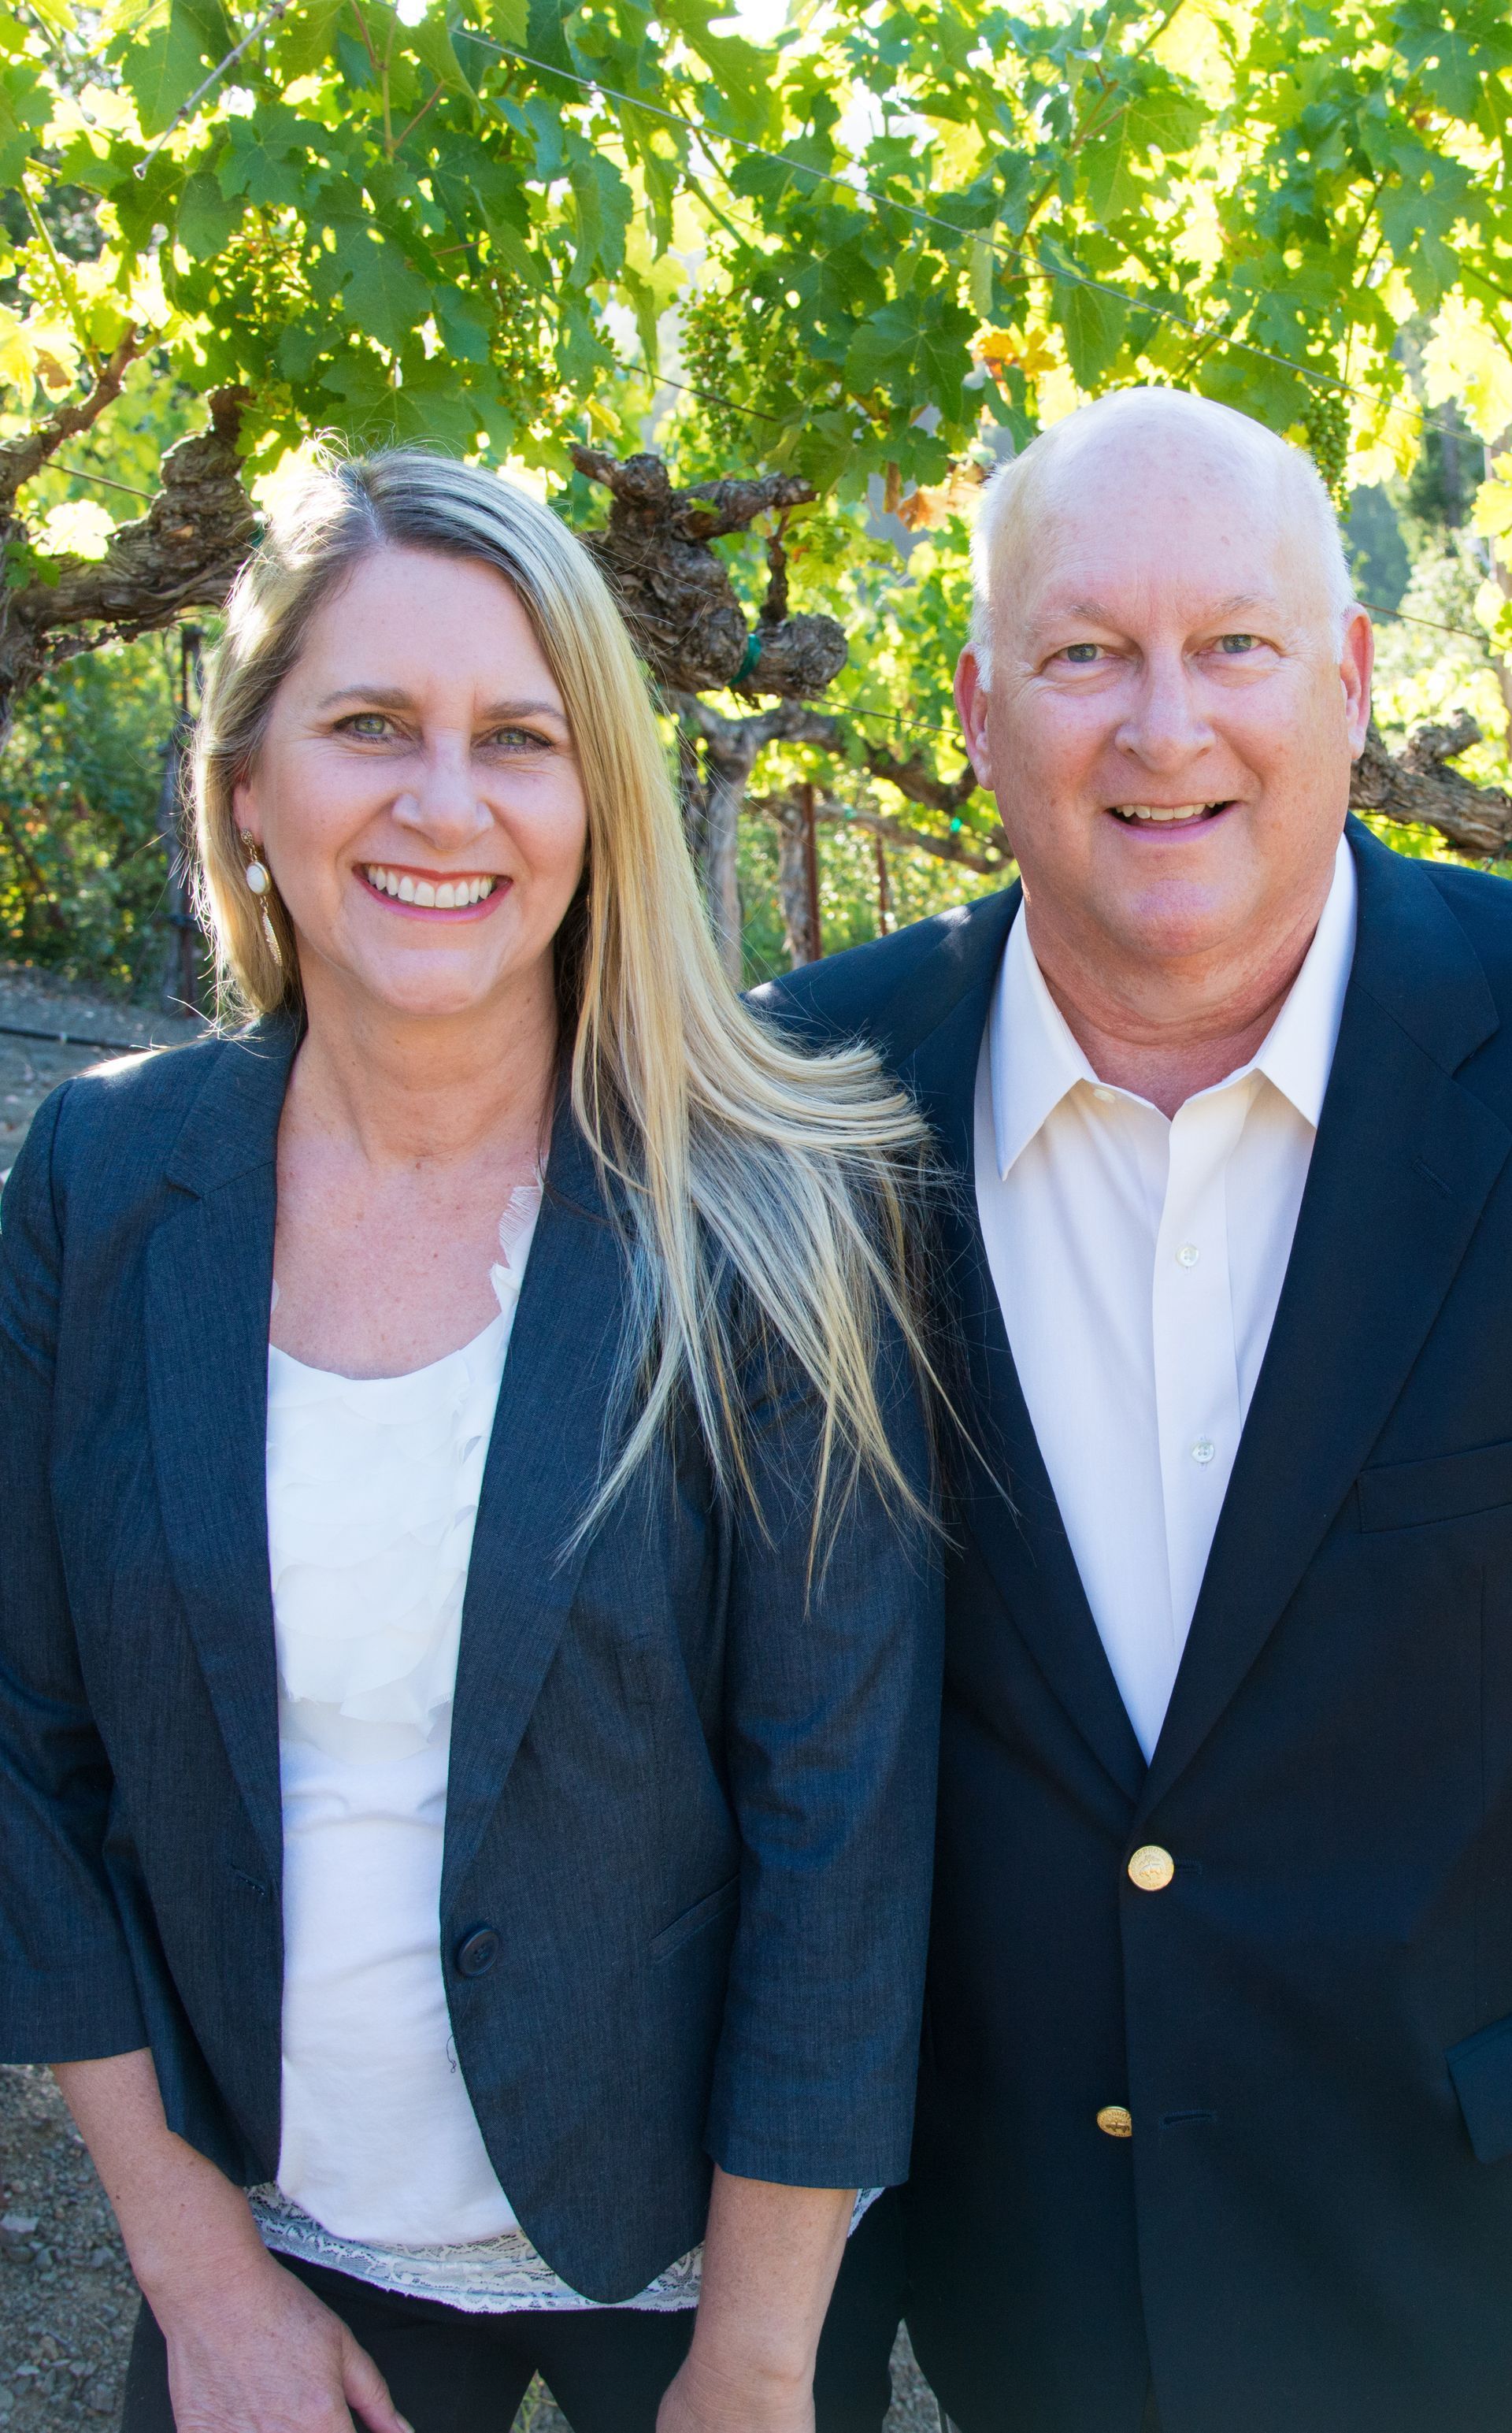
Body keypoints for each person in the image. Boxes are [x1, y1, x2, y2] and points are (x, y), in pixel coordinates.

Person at [0, 450, 943, 2433]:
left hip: (698, 2273)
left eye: (519, 738)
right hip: (283, 2240)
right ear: (249, 785)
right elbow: (27, 1753)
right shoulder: (96, 1184)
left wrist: (758, 2359)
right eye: (368, 727)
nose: (445, 804)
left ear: (596, 803)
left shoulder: (769, 1211)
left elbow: (838, 1822)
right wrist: (199, 2281)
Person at [761, 385, 1512, 2433]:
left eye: (1236, 647)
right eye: (1087, 652)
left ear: (1352, 684)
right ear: (981, 706)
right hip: (1024, 2316)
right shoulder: (805, 1104)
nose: (1164, 727)